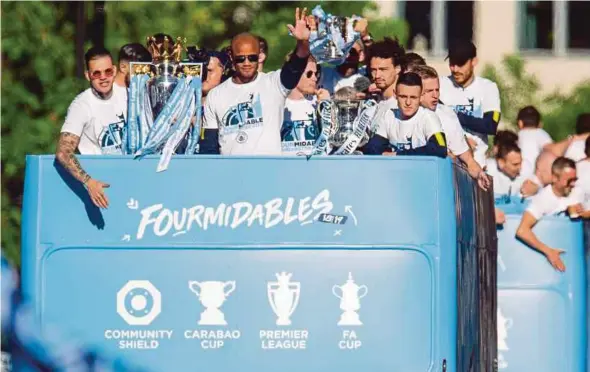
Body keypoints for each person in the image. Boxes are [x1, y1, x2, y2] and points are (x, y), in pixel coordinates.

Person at [201, 8, 311, 155]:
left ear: (259, 56)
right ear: (231, 56)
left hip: (268, 172)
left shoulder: (274, 83)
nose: (247, 63)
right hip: (230, 174)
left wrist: (303, 43)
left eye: (252, 57)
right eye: (241, 58)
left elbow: (296, 66)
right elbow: (209, 147)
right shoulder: (215, 95)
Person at [56, 46, 127, 209]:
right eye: (96, 73)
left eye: (108, 71)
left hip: (128, 179)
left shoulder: (128, 95)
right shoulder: (81, 105)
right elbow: (63, 152)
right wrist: (89, 182)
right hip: (100, 188)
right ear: (88, 75)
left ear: (114, 70)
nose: (103, 77)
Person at [413, 65, 490, 190]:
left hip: (437, 185)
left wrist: (479, 174)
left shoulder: (447, 115)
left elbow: (468, 160)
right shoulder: (396, 113)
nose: (435, 95)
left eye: (437, 90)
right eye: (428, 91)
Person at [439, 39, 501, 166]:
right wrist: (462, 141)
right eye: (452, 63)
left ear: (474, 61)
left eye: (461, 64)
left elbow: (490, 125)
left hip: (478, 166)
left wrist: (451, 115)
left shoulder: (488, 87)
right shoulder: (439, 84)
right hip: (448, 163)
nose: (455, 69)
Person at [516, 157, 583, 272]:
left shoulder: (577, 192)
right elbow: (522, 231)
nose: (573, 184)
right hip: (552, 262)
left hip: (575, 256)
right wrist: (548, 251)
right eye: (569, 180)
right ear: (554, 178)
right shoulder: (543, 199)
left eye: (575, 179)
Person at [364, 72, 447, 157]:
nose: (408, 103)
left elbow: (440, 148)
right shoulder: (389, 115)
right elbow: (372, 148)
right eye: (403, 97)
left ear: (421, 96)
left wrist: (396, 155)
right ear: (395, 95)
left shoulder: (429, 117)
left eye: (413, 97)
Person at [280, 55, 329, 155]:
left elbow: (331, 139)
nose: (314, 78)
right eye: (309, 74)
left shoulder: (319, 102)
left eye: (316, 74)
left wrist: (327, 107)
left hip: (315, 165)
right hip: (285, 166)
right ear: (294, 73)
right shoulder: (278, 102)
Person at [363, 37, 405, 140]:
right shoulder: (374, 104)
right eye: (373, 70)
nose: (377, 75)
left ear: (397, 69)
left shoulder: (404, 105)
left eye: (383, 69)